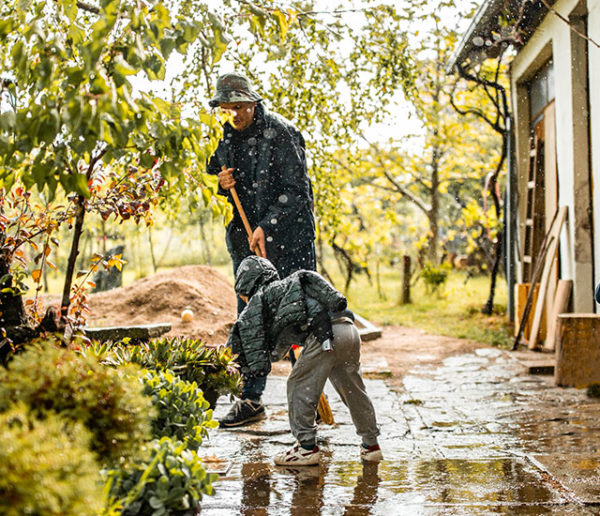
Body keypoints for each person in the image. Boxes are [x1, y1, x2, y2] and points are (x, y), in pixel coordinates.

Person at [207, 72, 317, 427]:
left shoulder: (282, 134)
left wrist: (265, 227)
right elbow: (222, 172)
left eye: (239, 107)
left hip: (289, 241)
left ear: (253, 103)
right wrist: (223, 183)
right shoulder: (227, 136)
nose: (234, 114)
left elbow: (296, 193)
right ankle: (251, 400)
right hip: (247, 242)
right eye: (227, 108)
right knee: (250, 318)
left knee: (297, 315)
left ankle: (309, 397)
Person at [227, 255, 383, 466]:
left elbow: (248, 331)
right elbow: (281, 344)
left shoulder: (261, 298)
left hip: (324, 337)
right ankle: (371, 445)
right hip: (348, 330)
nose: (245, 299)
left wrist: (242, 362)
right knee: (353, 390)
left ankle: (306, 448)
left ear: (248, 285)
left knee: (297, 385)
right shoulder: (289, 289)